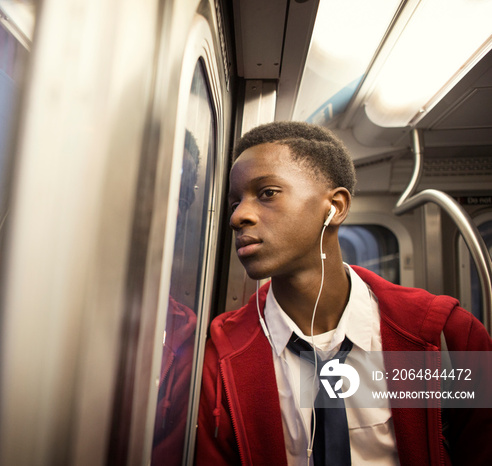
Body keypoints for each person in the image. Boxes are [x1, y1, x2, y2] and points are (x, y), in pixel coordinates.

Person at [195, 121, 492, 465]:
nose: (239, 216)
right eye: (234, 203)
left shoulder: (443, 335)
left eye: (267, 193)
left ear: (334, 207)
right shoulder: (222, 356)